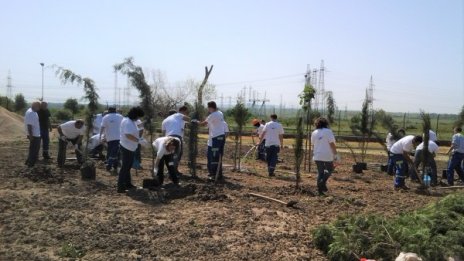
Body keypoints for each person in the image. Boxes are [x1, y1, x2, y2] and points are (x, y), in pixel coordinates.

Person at [117, 107, 145, 193]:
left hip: (132, 147)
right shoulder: (127, 122)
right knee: (125, 167)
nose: (138, 118)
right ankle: (120, 186)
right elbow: (128, 135)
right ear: (134, 115)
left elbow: (139, 129)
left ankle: (128, 184)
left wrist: (140, 138)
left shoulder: (134, 121)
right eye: (138, 116)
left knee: (128, 167)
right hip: (126, 147)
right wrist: (139, 140)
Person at [311, 117, 339, 195]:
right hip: (327, 155)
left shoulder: (314, 132)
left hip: (317, 155)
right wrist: (336, 155)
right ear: (326, 123)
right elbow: (332, 144)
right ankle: (322, 182)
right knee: (329, 170)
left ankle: (320, 190)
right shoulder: (328, 131)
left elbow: (313, 144)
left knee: (320, 172)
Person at [199, 101, 226, 181]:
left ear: (210, 107)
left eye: (208, 108)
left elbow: (203, 124)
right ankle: (218, 173)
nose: (208, 110)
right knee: (217, 155)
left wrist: (196, 122)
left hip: (216, 138)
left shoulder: (213, 115)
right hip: (220, 137)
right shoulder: (220, 113)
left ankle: (214, 175)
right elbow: (209, 124)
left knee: (214, 156)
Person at [161, 106, 191, 175]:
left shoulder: (165, 120)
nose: (186, 114)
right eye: (186, 112)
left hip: (167, 138)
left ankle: (170, 170)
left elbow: (163, 133)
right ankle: (173, 171)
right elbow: (188, 119)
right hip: (176, 137)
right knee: (177, 154)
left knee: (170, 155)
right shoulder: (178, 115)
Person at [100, 107, 123, 172]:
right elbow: (124, 125)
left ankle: (112, 164)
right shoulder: (120, 116)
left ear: (109, 111)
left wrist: (100, 136)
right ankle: (111, 164)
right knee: (114, 151)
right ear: (115, 110)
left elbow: (102, 127)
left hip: (109, 137)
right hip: (119, 137)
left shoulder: (105, 117)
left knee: (112, 151)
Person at [24, 101, 41, 167]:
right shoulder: (31, 113)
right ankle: (31, 164)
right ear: (35, 105)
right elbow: (29, 125)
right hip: (34, 135)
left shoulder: (33, 112)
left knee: (32, 149)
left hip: (35, 134)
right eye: (39, 106)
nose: (39, 108)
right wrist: (31, 135)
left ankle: (28, 161)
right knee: (35, 150)